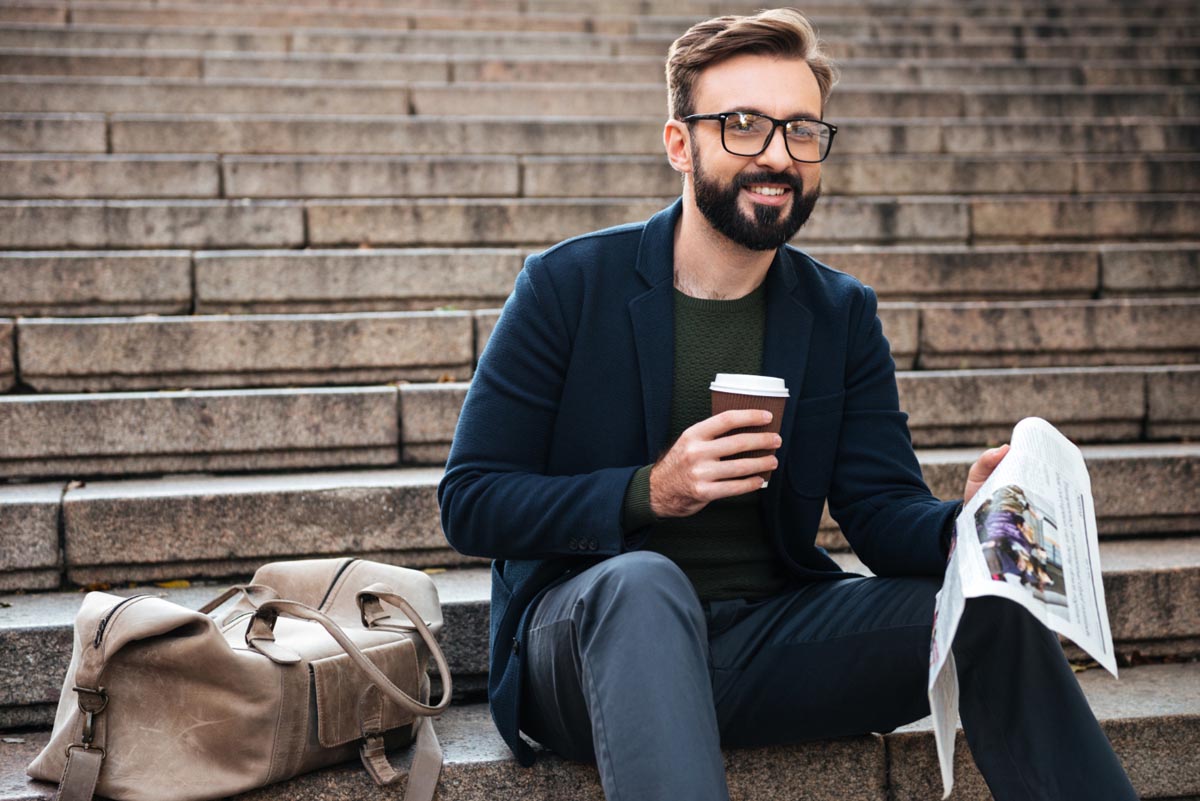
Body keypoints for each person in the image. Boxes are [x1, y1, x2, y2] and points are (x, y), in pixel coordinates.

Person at [439, 9, 1137, 800]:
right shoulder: (568, 287)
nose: (777, 154)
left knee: (988, 605)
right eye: (743, 125)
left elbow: (878, 509)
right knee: (643, 583)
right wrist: (651, 490)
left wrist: (967, 521)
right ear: (680, 143)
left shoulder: (838, 312)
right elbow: (470, 501)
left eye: (801, 131)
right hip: (588, 647)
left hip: (766, 642)